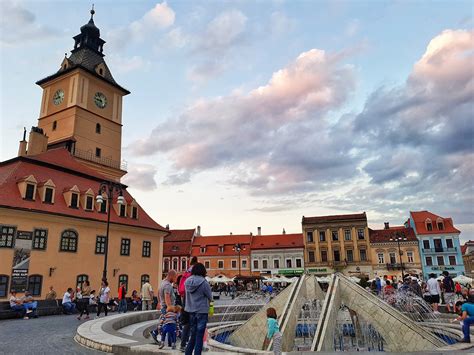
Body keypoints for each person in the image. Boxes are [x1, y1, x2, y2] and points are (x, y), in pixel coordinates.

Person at [184, 262, 212, 355]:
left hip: (191, 311)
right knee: (199, 337)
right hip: (202, 311)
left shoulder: (187, 282)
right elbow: (210, 297)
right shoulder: (204, 282)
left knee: (193, 335)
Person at [179, 256, 198, 352]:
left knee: (187, 323)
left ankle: (183, 344)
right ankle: (192, 344)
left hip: (185, 297)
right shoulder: (194, 271)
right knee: (193, 322)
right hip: (191, 298)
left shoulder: (186, 271)